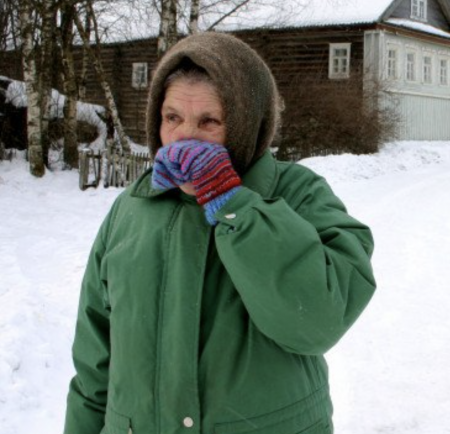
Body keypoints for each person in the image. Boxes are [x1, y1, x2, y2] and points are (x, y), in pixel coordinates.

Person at [64, 32, 376, 434]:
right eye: (172, 118)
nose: (184, 138)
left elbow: (317, 321)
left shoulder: (299, 194)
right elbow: (94, 367)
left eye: (208, 121)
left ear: (247, 123)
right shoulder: (131, 208)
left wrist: (231, 202)